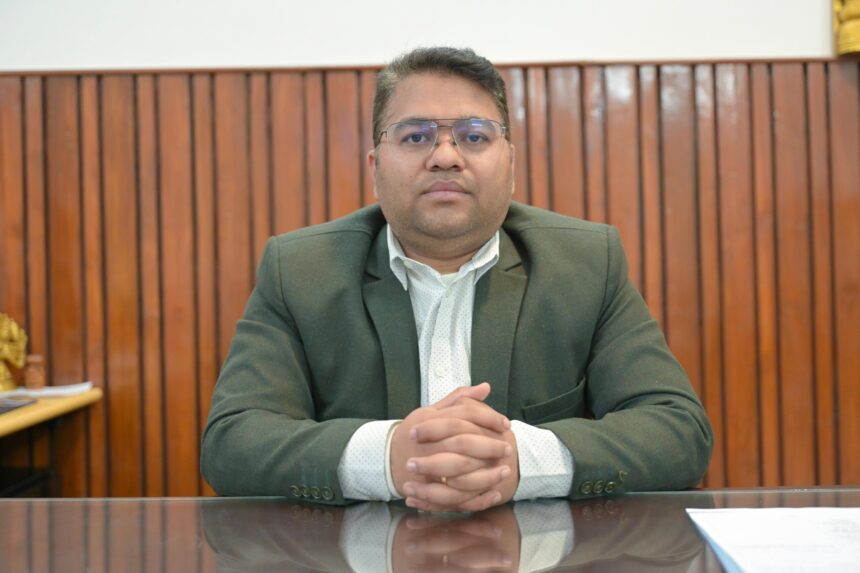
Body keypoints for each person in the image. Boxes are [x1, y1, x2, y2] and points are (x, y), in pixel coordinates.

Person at [201, 46, 713, 513]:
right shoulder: (300, 270)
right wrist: (387, 457)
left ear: (510, 163)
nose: (445, 156)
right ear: (375, 168)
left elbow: (677, 430)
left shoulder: (585, 263)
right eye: (416, 136)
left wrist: (519, 459)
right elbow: (233, 442)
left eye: (473, 136)